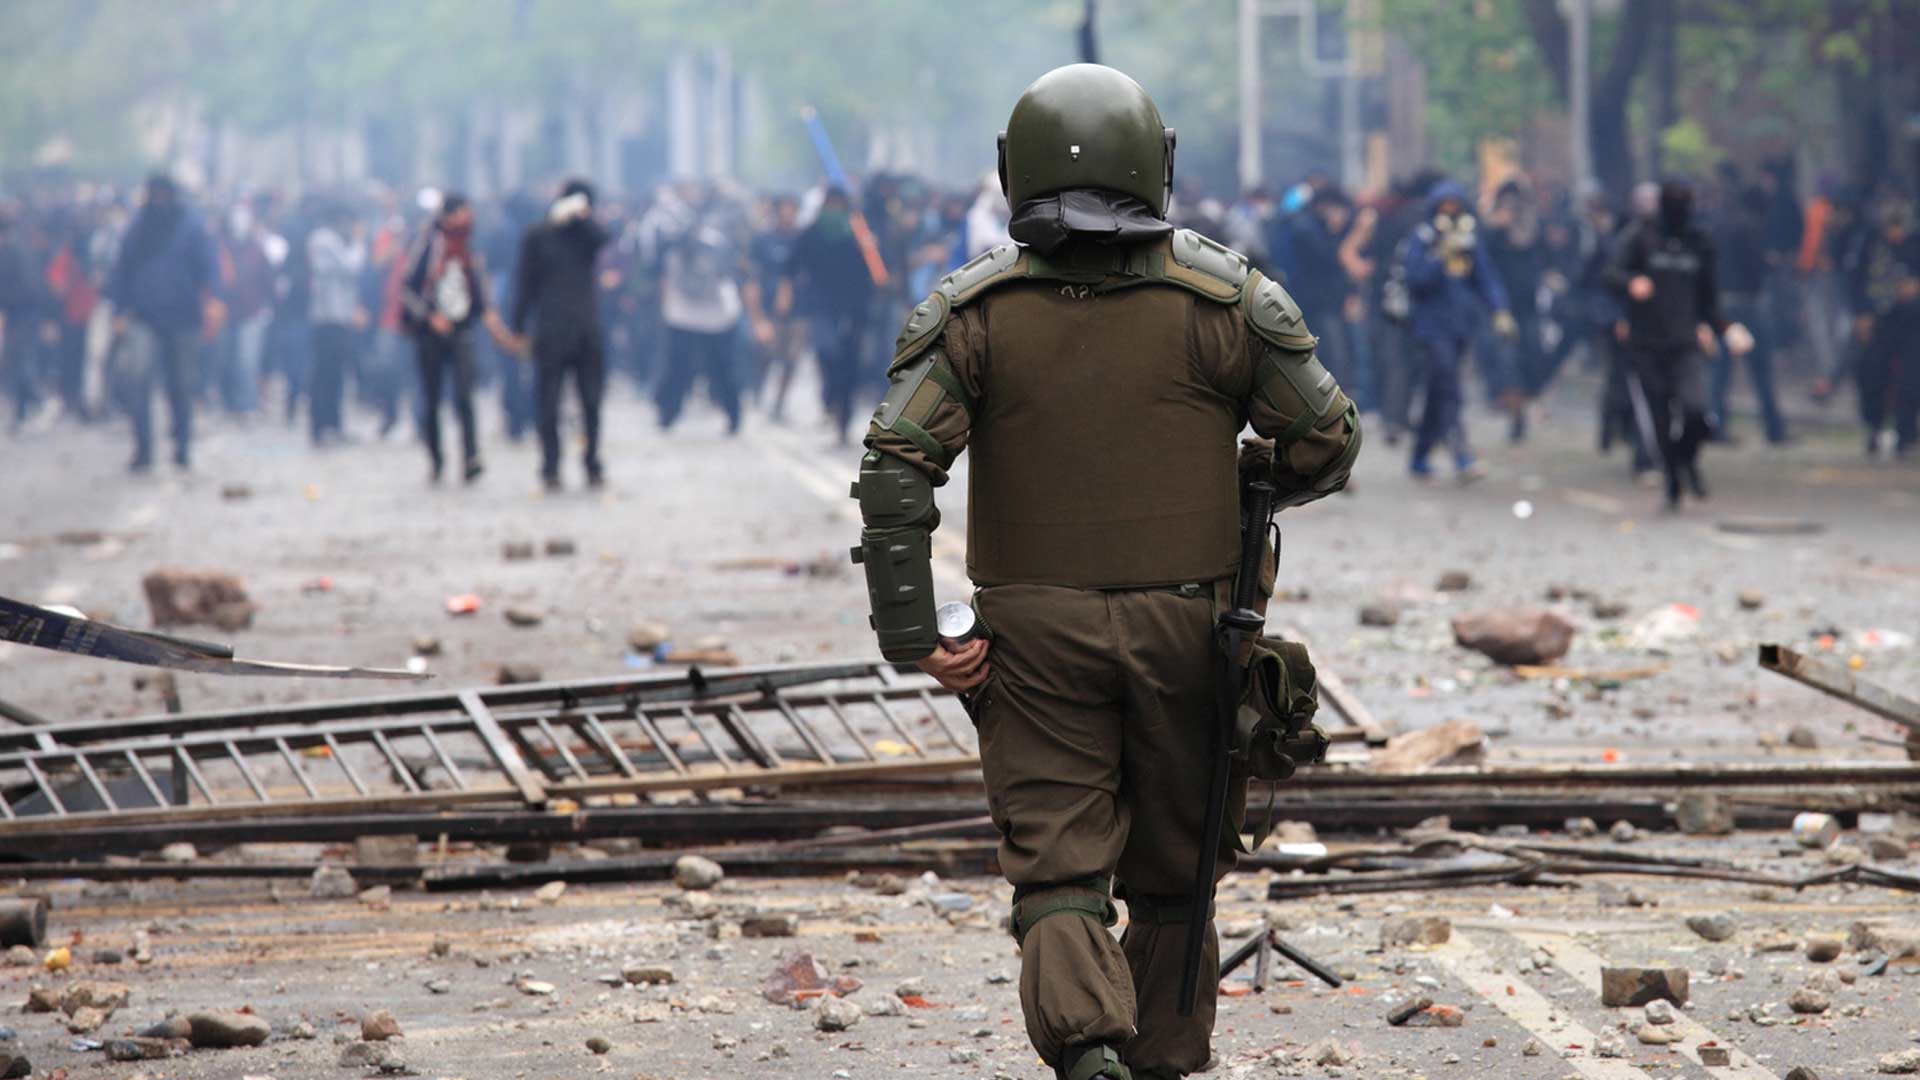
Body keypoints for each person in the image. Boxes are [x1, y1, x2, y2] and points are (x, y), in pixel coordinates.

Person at [852, 64, 1360, 1080]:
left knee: (1057, 863)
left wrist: (915, 635)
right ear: (1156, 164)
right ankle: (1162, 1052)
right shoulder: (1226, 299)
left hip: (1032, 634)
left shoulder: (974, 311)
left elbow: (895, 468)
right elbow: (1327, 437)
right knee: (1176, 868)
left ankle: (1087, 1045)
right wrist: (1246, 477)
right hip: (1191, 626)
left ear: (1014, 169)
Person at [1607, 179, 1755, 509]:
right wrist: (1631, 283)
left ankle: (1686, 459)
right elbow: (1610, 274)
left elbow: (1709, 299)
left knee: (1696, 411)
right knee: (1659, 418)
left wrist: (1726, 328)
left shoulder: (1699, 242)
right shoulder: (1640, 236)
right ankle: (1673, 479)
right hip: (1646, 344)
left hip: (1686, 342)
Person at [105, 175, 223, 471]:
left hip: (184, 318)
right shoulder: (138, 228)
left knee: (181, 386)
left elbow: (209, 266)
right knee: (138, 381)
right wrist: (118, 311)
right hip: (144, 318)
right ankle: (143, 449)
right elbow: (121, 270)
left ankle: (182, 447)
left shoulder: (191, 227)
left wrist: (214, 298)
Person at [1399, 179, 1514, 482]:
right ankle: (1461, 454)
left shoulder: (1468, 239)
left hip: (1461, 325)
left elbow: (1486, 277)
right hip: (1431, 327)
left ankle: (1420, 455)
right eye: (1445, 207)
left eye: (1455, 207)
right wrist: (1440, 256)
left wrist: (1499, 309)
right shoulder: (1423, 238)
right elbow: (1415, 280)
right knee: (1449, 388)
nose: (1450, 212)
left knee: (1438, 392)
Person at [400, 193, 518, 484]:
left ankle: (470, 457)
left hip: (462, 328)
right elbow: (407, 289)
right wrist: (430, 316)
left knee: (465, 396)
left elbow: (476, 286)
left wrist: (491, 319)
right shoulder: (428, 244)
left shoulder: (467, 245)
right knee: (432, 399)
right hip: (430, 333)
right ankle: (436, 458)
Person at [510, 178, 612, 490]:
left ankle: (591, 461)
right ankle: (550, 464)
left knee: (591, 401)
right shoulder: (539, 235)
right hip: (551, 329)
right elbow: (525, 284)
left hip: (586, 330)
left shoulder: (586, 236)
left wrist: (582, 219)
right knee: (548, 402)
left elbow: (604, 239)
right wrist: (518, 326)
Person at [645, 181, 746, 434]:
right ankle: (668, 413)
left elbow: (733, 263)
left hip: (715, 310)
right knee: (677, 367)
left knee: (721, 367)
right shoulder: (669, 227)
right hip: (682, 309)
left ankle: (733, 414)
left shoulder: (720, 231)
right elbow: (655, 258)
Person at [785, 187, 875, 444]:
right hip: (822, 307)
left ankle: (844, 416)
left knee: (850, 363)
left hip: (855, 309)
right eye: (830, 205)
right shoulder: (812, 233)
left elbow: (876, 271)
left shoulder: (860, 234)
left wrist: (870, 247)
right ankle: (829, 401)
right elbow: (792, 266)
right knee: (826, 355)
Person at [1842, 196, 1920, 458]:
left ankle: (1905, 434)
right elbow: (1855, 278)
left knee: (1911, 379)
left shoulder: (1915, 242)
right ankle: (1874, 428)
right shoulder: (1869, 241)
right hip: (1878, 318)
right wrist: (1861, 313)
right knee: (1872, 374)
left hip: (1912, 321)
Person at [306, 199, 368, 446]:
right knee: (326, 374)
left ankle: (333, 425)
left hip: (337, 316)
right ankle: (322, 426)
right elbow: (352, 266)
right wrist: (359, 242)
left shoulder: (327, 240)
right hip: (329, 318)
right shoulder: (325, 240)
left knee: (335, 375)